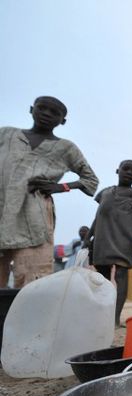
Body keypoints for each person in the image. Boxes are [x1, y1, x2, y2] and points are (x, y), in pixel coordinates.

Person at [0, 96, 98, 288]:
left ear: (63, 121)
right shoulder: (6, 135)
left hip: (33, 216)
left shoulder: (65, 148)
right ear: (31, 109)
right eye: (42, 108)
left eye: (55, 113)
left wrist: (61, 187)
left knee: (32, 280)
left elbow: (90, 180)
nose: (46, 114)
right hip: (2, 208)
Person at [87, 160, 132, 326]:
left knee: (121, 275)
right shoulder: (105, 193)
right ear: (117, 170)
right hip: (102, 239)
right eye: (126, 169)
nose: (129, 172)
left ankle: (114, 318)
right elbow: (98, 216)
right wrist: (88, 238)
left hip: (125, 239)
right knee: (102, 278)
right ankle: (102, 317)